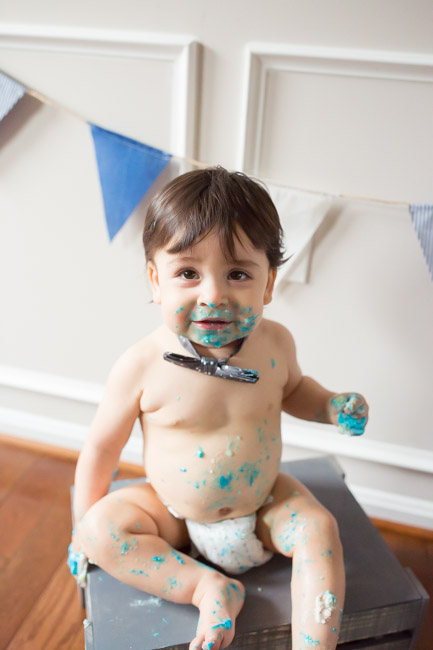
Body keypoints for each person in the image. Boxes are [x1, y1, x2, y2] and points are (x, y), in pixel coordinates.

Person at [69, 167, 368, 650]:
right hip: (173, 516)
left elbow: (294, 391)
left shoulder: (274, 343)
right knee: (104, 531)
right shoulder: (141, 365)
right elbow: (102, 447)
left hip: (264, 503)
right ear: (156, 279)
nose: (213, 294)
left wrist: (332, 407)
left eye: (237, 273)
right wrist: (82, 525)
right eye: (188, 273)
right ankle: (206, 587)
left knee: (319, 528)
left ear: (268, 283)